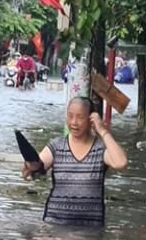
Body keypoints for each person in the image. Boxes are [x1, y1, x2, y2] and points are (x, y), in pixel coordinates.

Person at [22, 97, 128, 227]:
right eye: (70, 116)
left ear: (91, 120)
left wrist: (103, 131)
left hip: (90, 229)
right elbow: (36, 168)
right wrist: (30, 167)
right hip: (55, 226)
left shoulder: (100, 148)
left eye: (80, 117)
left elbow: (121, 163)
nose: (74, 122)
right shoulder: (57, 146)